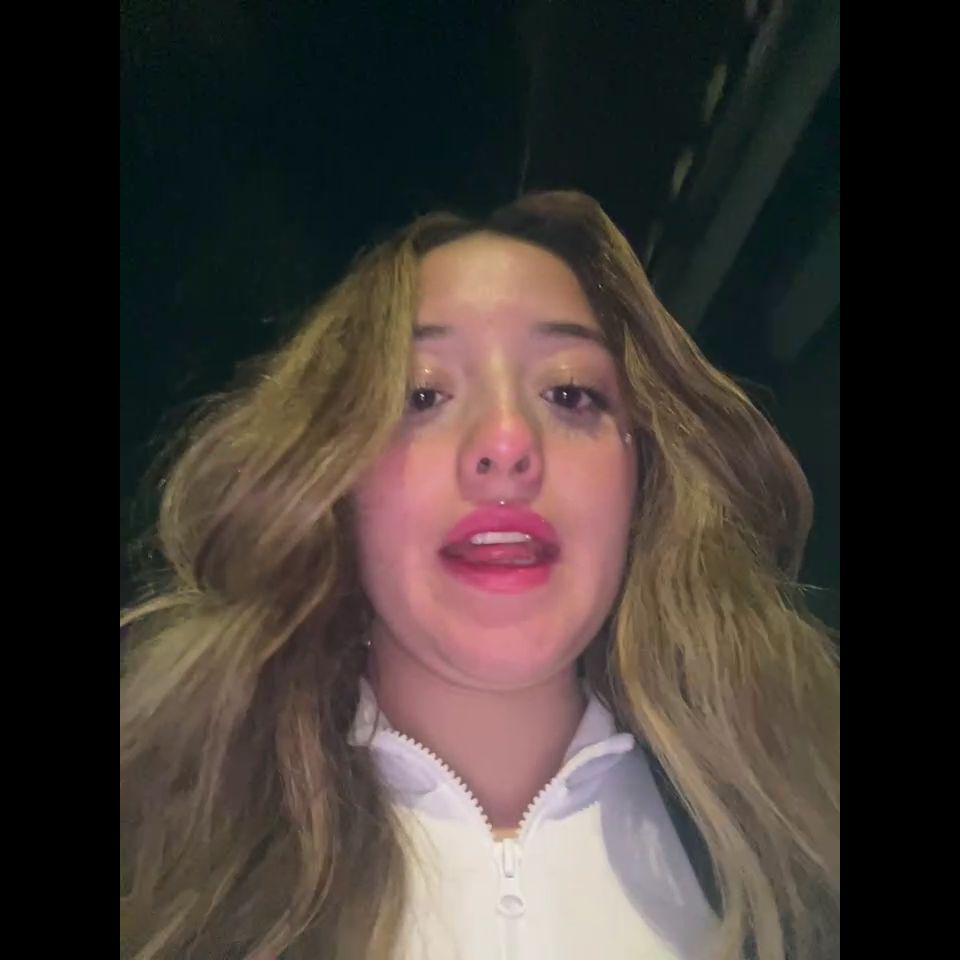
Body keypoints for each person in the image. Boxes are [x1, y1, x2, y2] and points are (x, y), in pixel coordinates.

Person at [120, 191, 839, 960]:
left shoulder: (804, 833)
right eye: (421, 395)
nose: (505, 441)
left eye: (570, 393)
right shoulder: (158, 849)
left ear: (646, 476)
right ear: (334, 479)